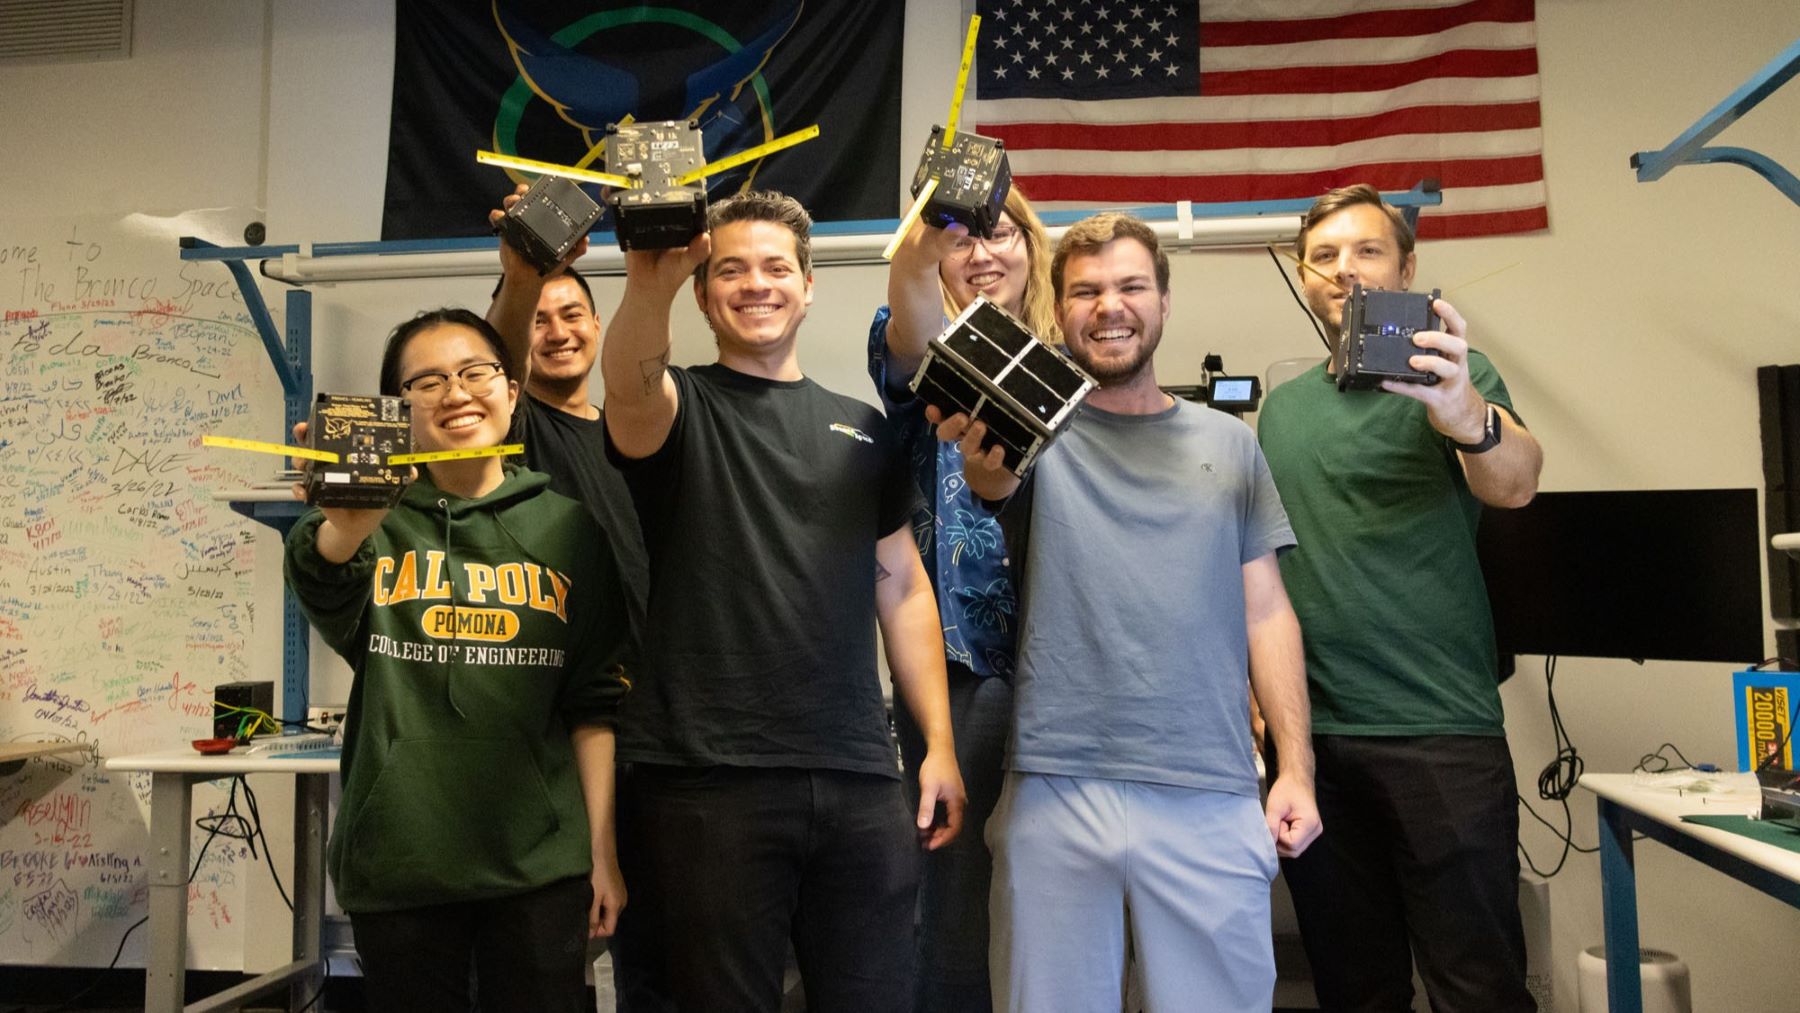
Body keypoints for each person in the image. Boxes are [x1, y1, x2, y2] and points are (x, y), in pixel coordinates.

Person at [933, 212, 1321, 1012]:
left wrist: (1296, 769)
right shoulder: (1031, 435)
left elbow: (1267, 610)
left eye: (1130, 286)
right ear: (1060, 307)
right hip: (1056, 783)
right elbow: (992, 481)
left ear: (1164, 302)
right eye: (1087, 291)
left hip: (1210, 784)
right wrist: (981, 458)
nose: (1110, 305)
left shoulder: (1231, 445)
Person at [599, 190, 968, 1012]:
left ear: (808, 287)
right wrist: (648, 281)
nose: (754, 284)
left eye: (775, 268)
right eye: (729, 270)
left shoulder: (864, 430)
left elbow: (903, 588)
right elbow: (627, 382)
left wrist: (936, 743)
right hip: (706, 780)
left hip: (858, 775)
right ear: (703, 293)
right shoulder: (675, 406)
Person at [283, 308, 633, 1013]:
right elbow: (320, 575)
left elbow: (592, 704)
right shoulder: (372, 528)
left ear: (511, 390)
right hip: (403, 862)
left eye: (476, 372)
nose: (457, 392)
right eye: (427, 381)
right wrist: (348, 523)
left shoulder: (568, 526)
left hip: (539, 865)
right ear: (395, 408)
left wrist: (603, 851)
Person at [1256, 183, 1544, 1012]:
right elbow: (1266, 573)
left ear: (1408, 269)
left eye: (1367, 251)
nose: (1344, 270)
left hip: (1441, 735)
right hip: (1314, 748)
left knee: (1478, 987)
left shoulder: (1455, 379)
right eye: (1324, 257)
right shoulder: (1283, 410)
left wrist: (1466, 414)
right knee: (1354, 989)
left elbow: (1517, 483)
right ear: (1306, 279)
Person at [870, 186, 1057, 1012]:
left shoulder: (1077, 355)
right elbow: (909, 326)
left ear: (1033, 248)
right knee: (956, 893)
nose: (983, 252)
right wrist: (919, 240)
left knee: (1059, 892)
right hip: (965, 671)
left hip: (1076, 663)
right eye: (960, 241)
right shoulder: (924, 353)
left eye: (1001, 232)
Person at [487, 190, 648, 638]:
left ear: (596, 324)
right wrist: (522, 280)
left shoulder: (635, 432)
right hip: (558, 681)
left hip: (646, 677)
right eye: (538, 321)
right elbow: (498, 363)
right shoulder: (512, 426)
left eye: (571, 315)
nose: (558, 333)